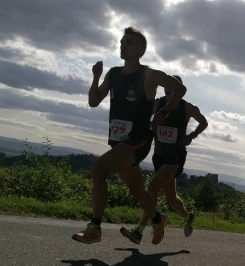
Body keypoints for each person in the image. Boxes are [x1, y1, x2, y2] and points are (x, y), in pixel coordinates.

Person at [72, 27, 187, 244]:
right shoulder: (113, 73)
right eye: (122, 42)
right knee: (138, 193)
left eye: (129, 43)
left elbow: (180, 89)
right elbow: (94, 101)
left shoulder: (149, 75)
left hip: (137, 141)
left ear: (141, 49)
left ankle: (94, 227)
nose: (123, 46)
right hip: (119, 142)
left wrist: (163, 111)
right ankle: (158, 219)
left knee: (98, 168)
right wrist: (96, 77)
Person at [120, 75, 208, 245]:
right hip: (159, 156)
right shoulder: (158, 105)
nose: (169, 96)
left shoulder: (187, 108)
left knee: (152, 188)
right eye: (167, 91)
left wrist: (192, 135)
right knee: (171, 198)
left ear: (179, 92)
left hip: (175, 157)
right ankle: (188, 216)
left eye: (173, 92)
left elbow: (203, 122)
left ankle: (141, 230)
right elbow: (143, 115)